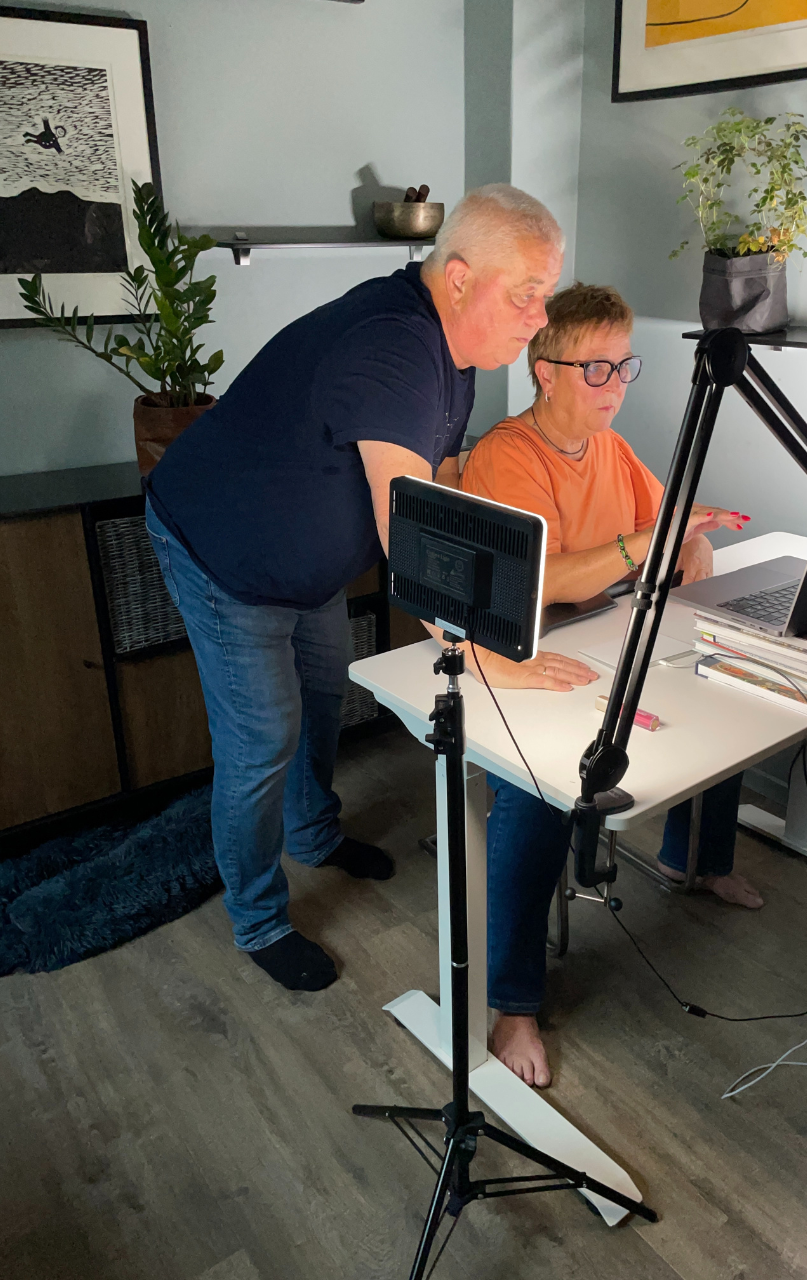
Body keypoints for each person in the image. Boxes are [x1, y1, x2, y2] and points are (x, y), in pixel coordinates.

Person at [144, 184, 594, 994]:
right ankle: (258, 919)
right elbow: (414, 547)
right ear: (459, 278)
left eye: (547, 294)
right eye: (526, 294)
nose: (540, 317)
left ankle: (313, 834)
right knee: (262, 739)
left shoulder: (454, 347)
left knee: (324, 693)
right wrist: (494, 660)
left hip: (305, 564)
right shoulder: (395, 347)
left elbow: (437, 480)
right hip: (222, 552)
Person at [461, 282, 761, 1087]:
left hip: (602, 632)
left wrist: (689, 547)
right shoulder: (507, 456)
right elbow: (547, 580)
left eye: (623, 366)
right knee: (536, 789)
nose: (615, 385)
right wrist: (651, 546)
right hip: (521, 649)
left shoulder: (611, 449)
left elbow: (674, 531)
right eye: (596, 369)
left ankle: (696, 862)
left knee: (722, 689)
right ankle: (513, 1004)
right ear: (544, 371)